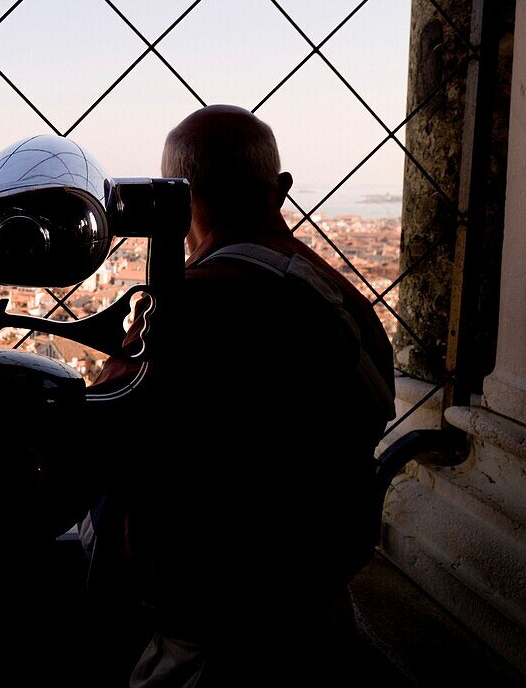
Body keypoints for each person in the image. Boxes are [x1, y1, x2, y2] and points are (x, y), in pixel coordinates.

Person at [89, 105, 395, 686]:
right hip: (314, 618)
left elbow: (96, 441)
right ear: (279, 191)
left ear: (174, 203)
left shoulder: (186, 309)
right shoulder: (340, 299)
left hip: (208, 638)